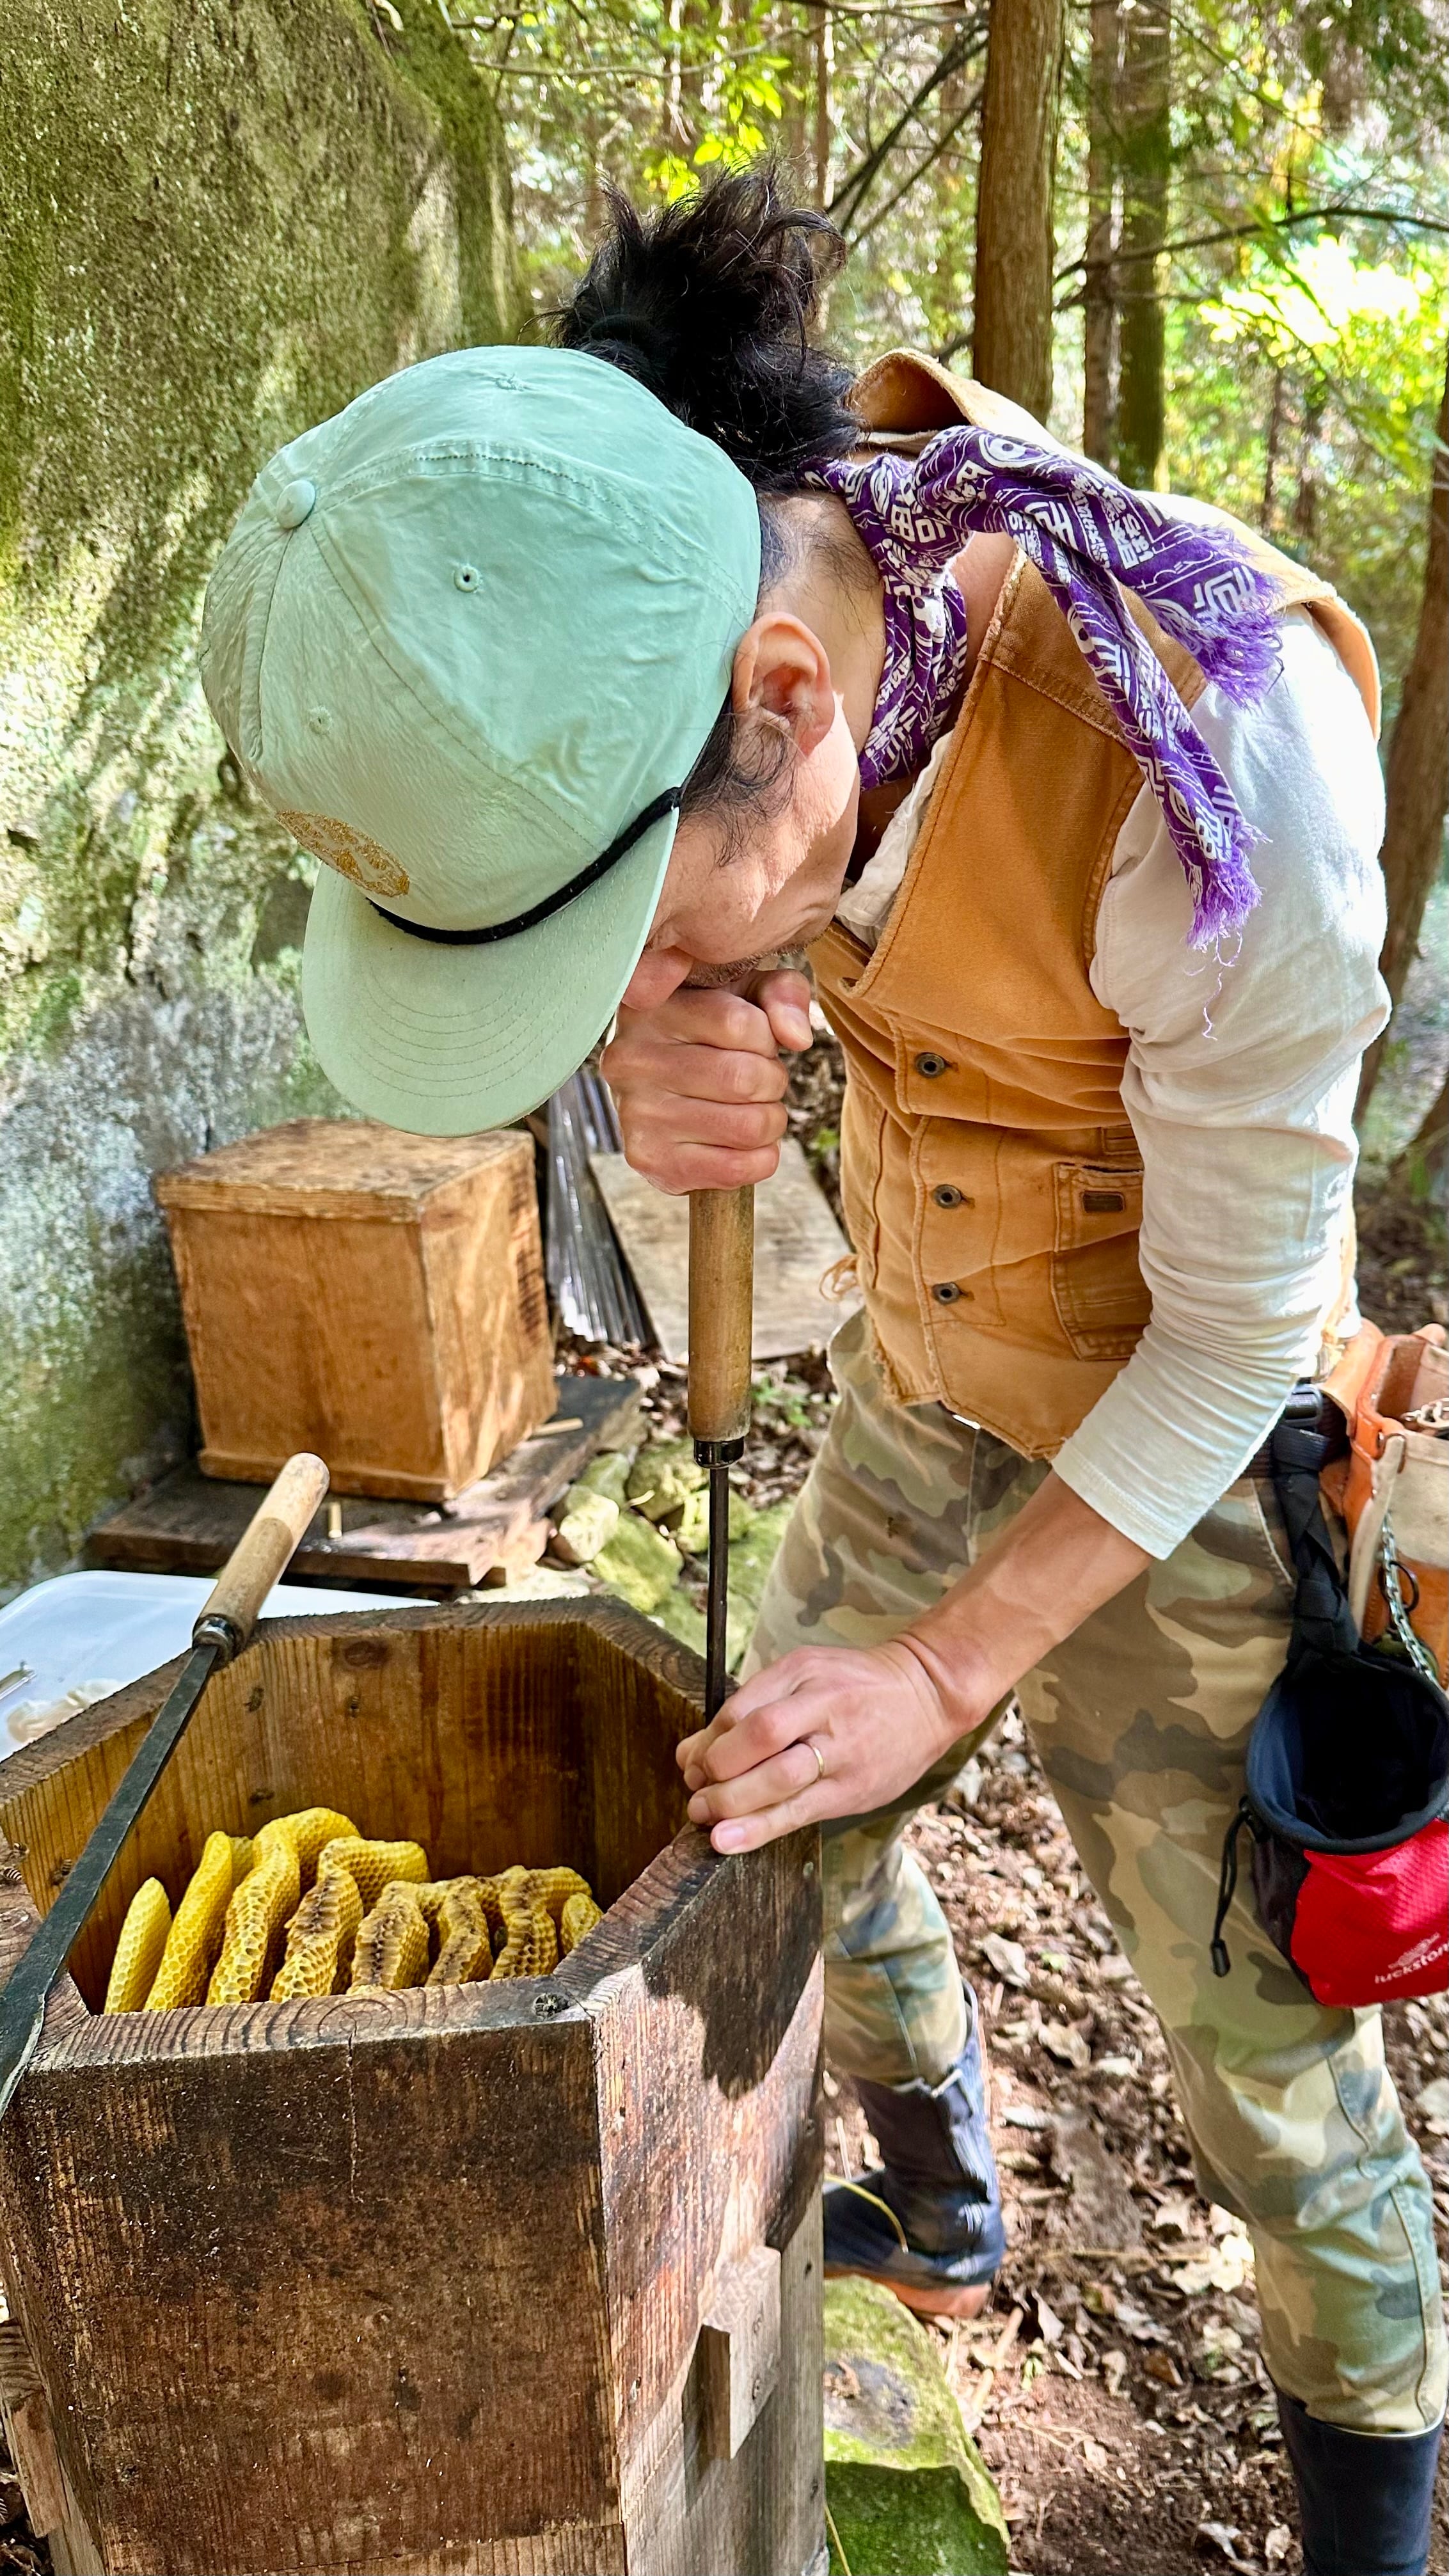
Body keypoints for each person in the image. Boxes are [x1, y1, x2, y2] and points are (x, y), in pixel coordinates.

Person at [200, 170, 1443, 2576]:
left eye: (610, 936)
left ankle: (1369, 2514)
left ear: (785, 708)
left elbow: (1223, 1324)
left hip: (1193, 1435)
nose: (608, 983)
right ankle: (945, 2200)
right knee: (766, 1811)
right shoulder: (679, 555)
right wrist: (658, 1030)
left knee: (1267, 2080)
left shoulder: (1221, 769)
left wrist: (951, 1666)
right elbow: (717, 906)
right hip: (926, 1367)